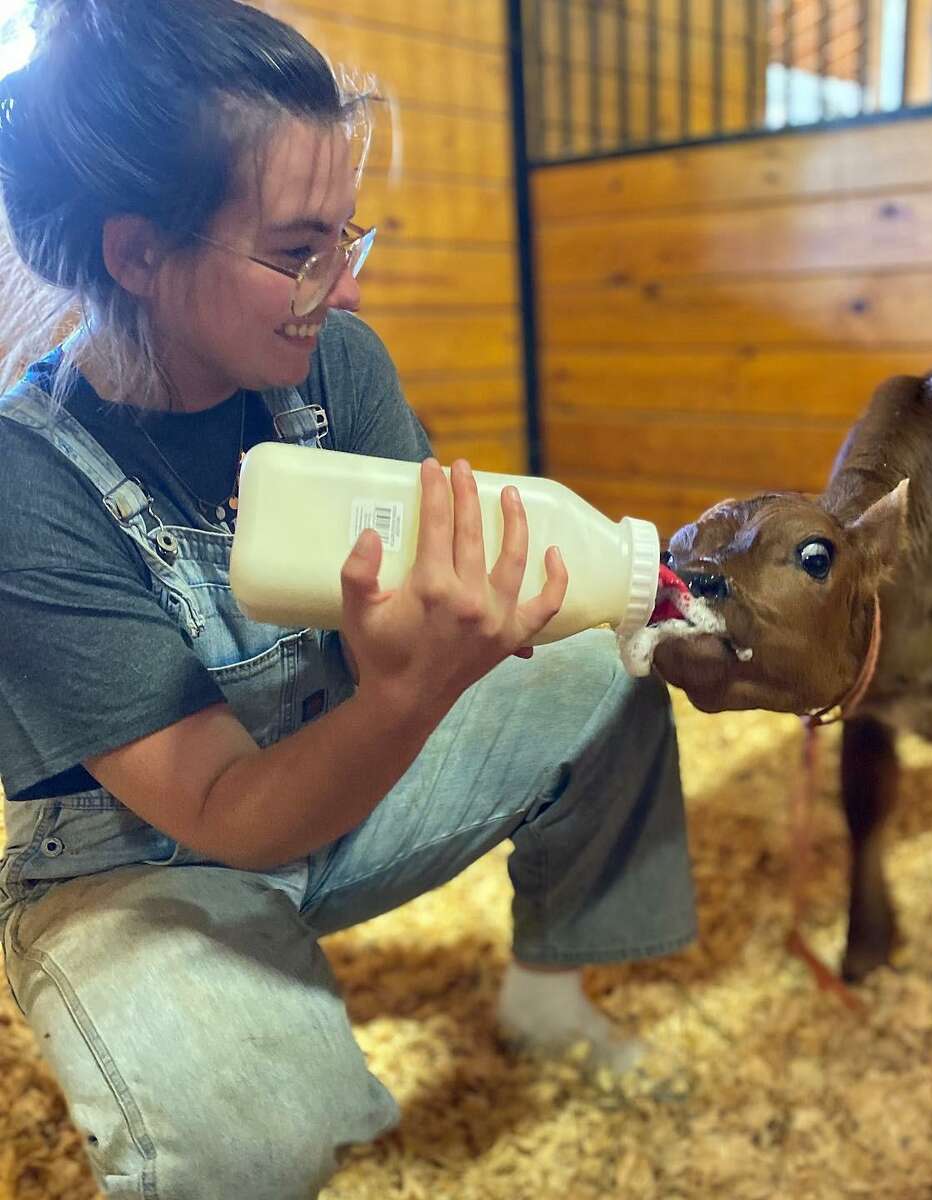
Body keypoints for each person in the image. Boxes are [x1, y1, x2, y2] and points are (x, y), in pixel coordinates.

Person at [0, 1, 696, 1196]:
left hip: (333, 763)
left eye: (346, 238)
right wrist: (407, 690)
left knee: (603, 660)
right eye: (295, 250)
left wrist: (501, 625)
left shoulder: (338, 367)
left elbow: (425, 625)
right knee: (243, 1139)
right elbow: (221, 809)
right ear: (137, 254)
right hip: (144, 862)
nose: (338, 283)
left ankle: (545, 994)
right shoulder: (25, 482)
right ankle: (233, 1011)